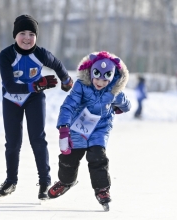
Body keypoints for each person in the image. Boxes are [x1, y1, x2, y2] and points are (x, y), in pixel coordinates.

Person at [0, 14, 73, 200]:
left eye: (32, 34)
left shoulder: (40, 54)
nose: (27, 38)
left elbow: (57, 64)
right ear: (15, 35)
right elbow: (10, 85)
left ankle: (45, 182)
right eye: (22, 33)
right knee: (13, 143)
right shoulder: (6, 55)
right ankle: (11, 181)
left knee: (37, 140)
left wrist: (66, 80)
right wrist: (36, 85)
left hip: (34, 99)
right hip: (12, 99)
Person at [46, 51, 131, 207]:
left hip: (100, 128)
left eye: (105, 79)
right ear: (91, 72)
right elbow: (68, 106)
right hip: (79, 125)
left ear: (112, 78)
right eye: (97, 77)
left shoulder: (114, 91)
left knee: (98, 156)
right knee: (69, 157)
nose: (100, 82)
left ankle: (102, 189)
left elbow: (126, 103)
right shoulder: (81, 86)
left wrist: (120, 108)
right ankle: (66, 181)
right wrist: (64, 129)